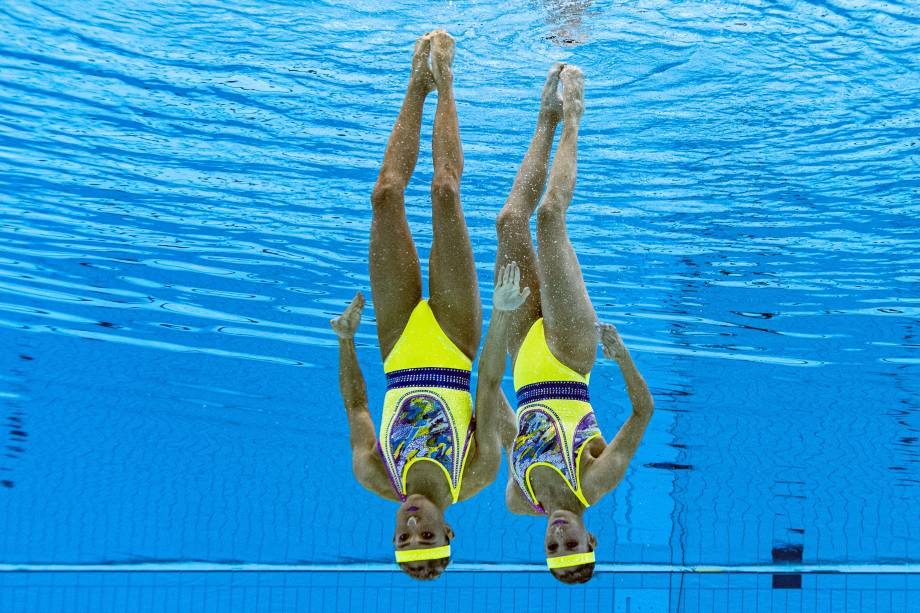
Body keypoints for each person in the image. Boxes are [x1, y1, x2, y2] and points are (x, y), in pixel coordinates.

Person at [329, 30, 504, 581]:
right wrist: (502, 315)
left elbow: (358, 407)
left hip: (397, 346)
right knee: (446, 194)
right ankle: (446, 79)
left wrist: (346, 340)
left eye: (404, 537)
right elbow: (489, 389)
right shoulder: (476, 474)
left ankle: (417, 80)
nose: (413, 525)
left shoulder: (374, 476)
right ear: (448, 533)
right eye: (427, 536)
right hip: (454, 344)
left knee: (384, 195)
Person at [476, 63, 655, 584]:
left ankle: (545, 117)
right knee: (550, 217)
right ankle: (574, 114)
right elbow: (643, 412)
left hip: (521, 362)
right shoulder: (594, 483)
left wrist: (481, 383)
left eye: (554, 546)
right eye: (571, 543)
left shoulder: (517, 496)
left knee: (510, 221)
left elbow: (508, 426)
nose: (559, 535)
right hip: (572, 354)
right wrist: (621, 360)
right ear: (589, 538)